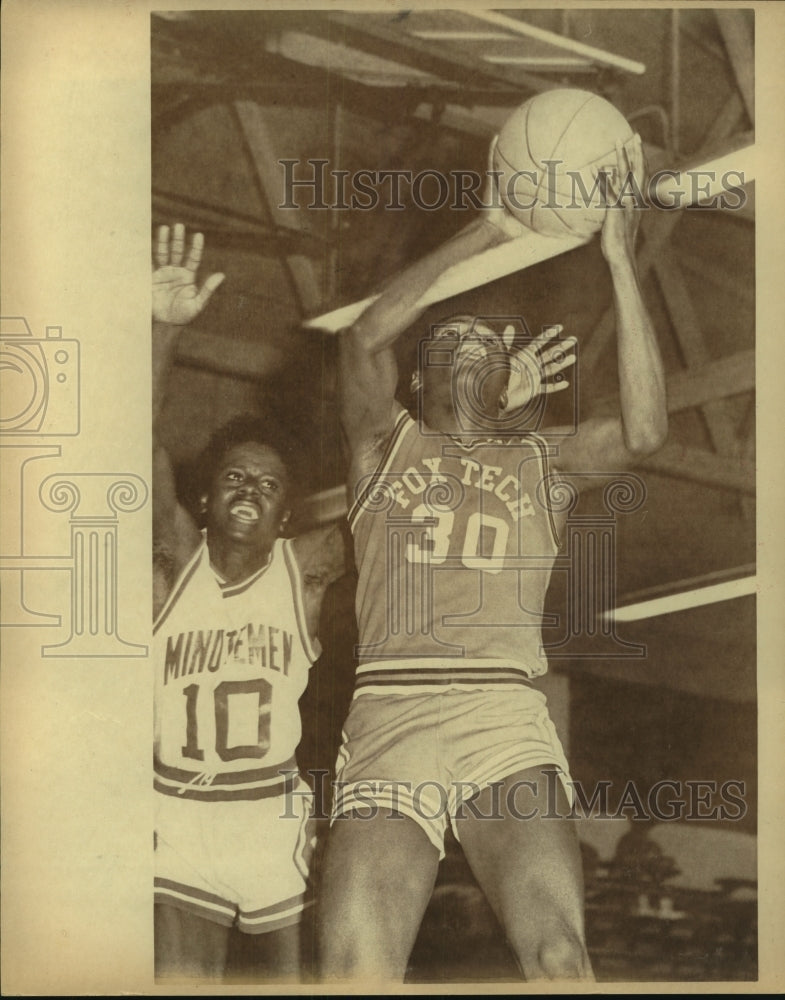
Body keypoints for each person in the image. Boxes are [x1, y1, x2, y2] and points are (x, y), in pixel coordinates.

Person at [318, 135, 667, 982]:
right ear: (420, 381)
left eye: (490, 341)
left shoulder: (541, 461)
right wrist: (491, 226)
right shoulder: (382, 449)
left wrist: (620, 260)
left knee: (557, 955)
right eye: (456, 339)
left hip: (499, 719)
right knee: (355, 972)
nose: (479, 345)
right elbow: (362, 339)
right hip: (389, 719)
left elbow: (645, 430)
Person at [151, 224, 345, 982]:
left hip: (268, 815)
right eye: (235, 477)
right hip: (179, 806)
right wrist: (163, 332)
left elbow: (387, 485)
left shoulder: (302, 572)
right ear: (203, 497)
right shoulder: (172, 566)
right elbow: (134, 438)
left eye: (268, 487)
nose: (249, 492)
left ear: (285, 515)